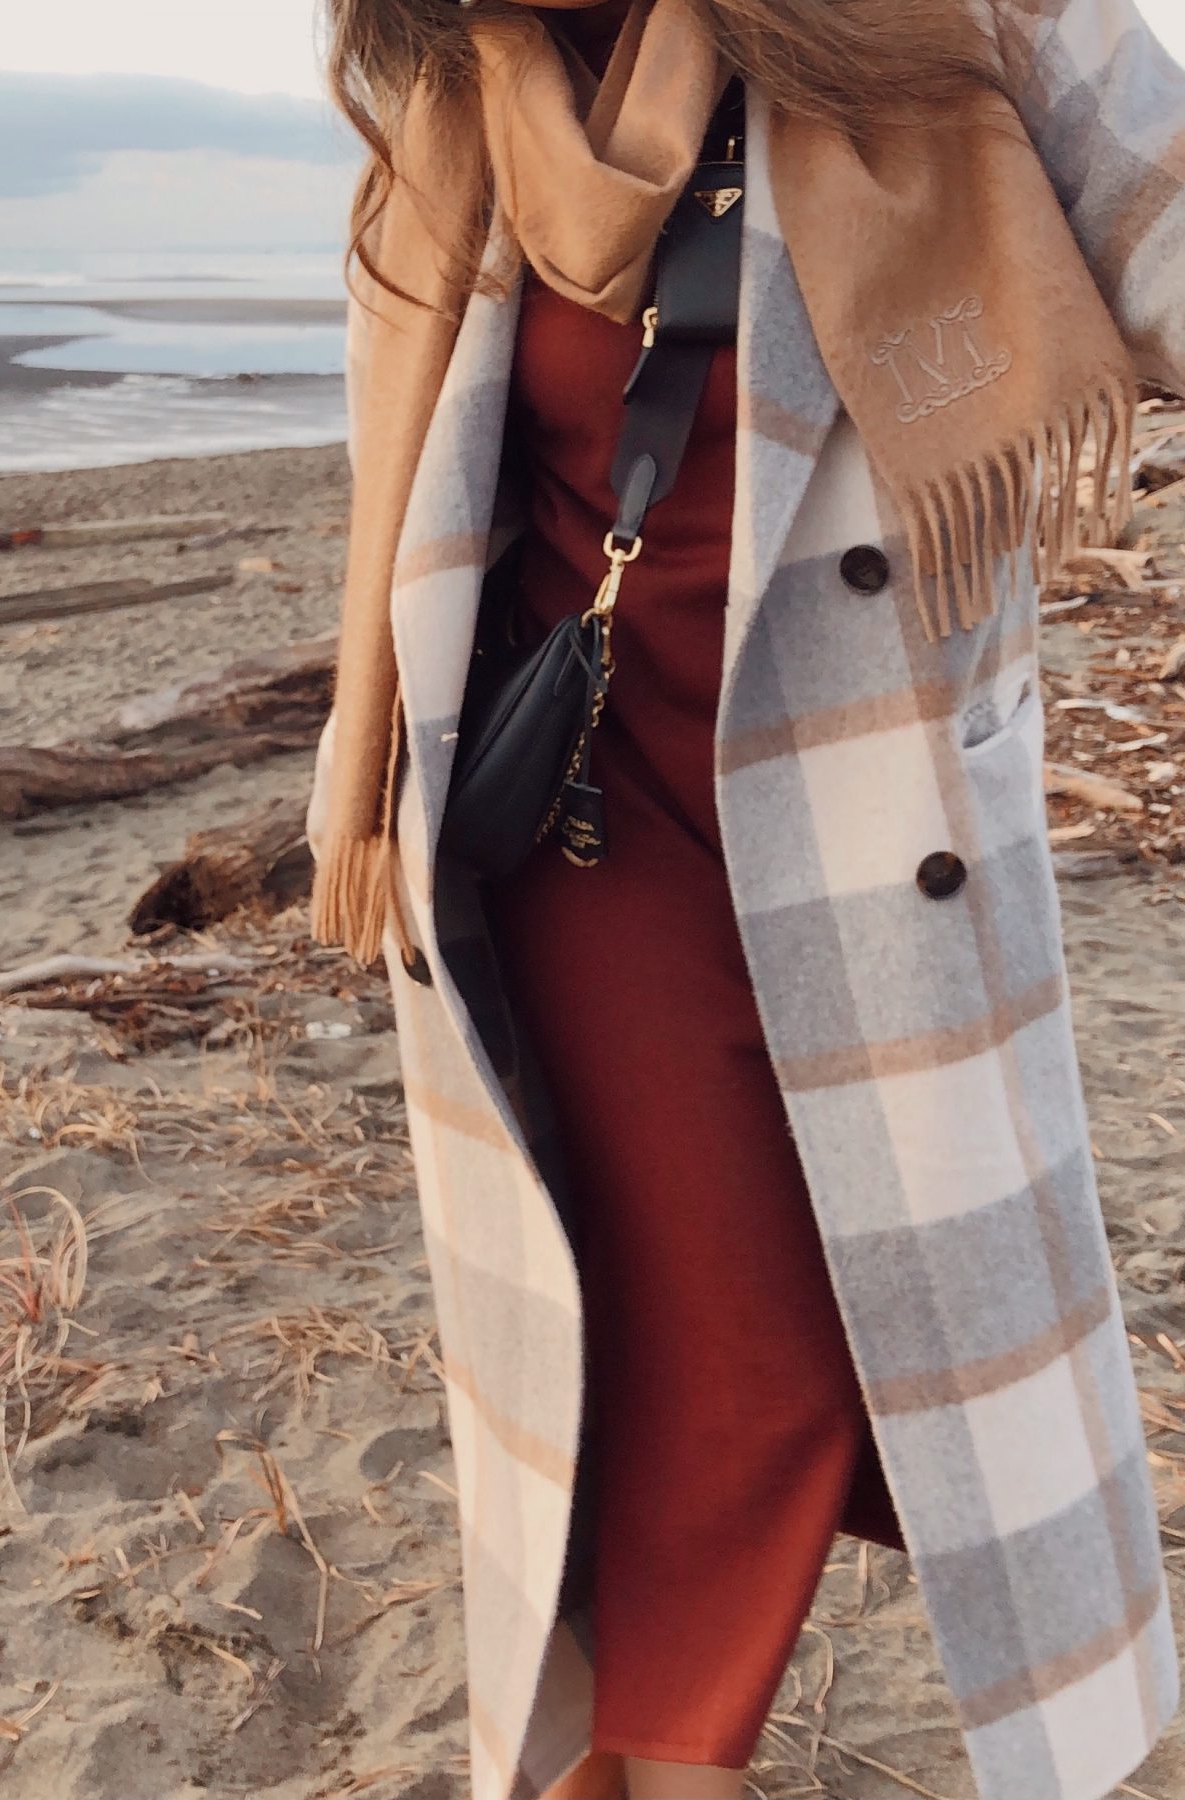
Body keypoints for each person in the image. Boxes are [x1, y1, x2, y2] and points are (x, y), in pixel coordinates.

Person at [308, 3, 1185, 1798]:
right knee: (741, 1363)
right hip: (583, 826)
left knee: (795, 1362)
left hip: (871, 822)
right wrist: (363, 749)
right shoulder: (461, 95)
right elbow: (402, 493)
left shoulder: (947, 22)